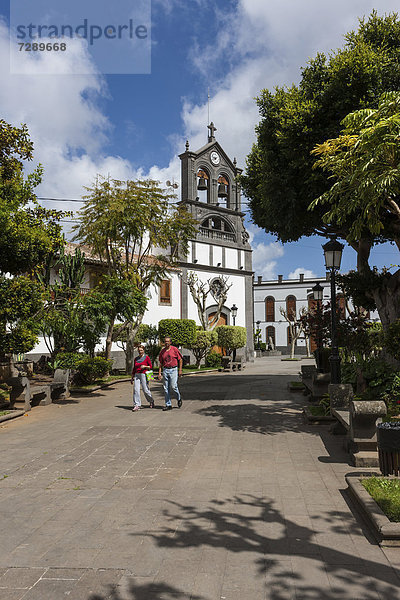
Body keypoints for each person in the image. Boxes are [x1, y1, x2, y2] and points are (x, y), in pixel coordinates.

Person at [158, 336, 183, 411]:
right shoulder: (162, 351)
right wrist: (159, 373)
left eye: (168, 341)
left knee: (174, 386)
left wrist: (180, 370)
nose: (166, 343)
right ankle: (168, 404)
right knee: (166, 388)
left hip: (173, 369)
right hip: (165, 370)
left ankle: (178, 398)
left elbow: (180, 360)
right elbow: (161, 363)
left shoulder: (174, 349)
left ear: (170, 342)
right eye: (165, 341)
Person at [130, 345, 154, 411]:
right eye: (139, 350)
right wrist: (132, 377)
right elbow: (134, 368)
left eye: (141, 350)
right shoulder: (136, 359)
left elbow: (151, 367)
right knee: (136, 390)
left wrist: (145, 366)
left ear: (143, 350)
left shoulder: (147, 358)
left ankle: (151, 400)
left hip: (144, 374)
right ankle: (137, 405)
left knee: (145, 389)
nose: (140, 352)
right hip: (137, 375)